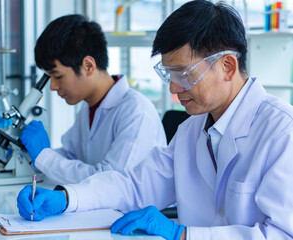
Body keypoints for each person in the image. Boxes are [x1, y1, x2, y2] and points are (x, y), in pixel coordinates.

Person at [17, 1, 293, 239]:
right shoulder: (192, 130)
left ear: (227, 66)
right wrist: (67, 198)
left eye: (184, 73)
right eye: (169, 75)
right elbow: (134, 185)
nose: (173, 88)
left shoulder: (283, 131)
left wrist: (183, 235)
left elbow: (282, 234)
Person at [20, 14, 166, 185]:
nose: (52, 86)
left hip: (127, 210)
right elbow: (73, 156)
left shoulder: (136, 111)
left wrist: (45, 157)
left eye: (57, 76)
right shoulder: (90, 107)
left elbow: (110, 183)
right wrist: (30, 156)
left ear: (88, 66)